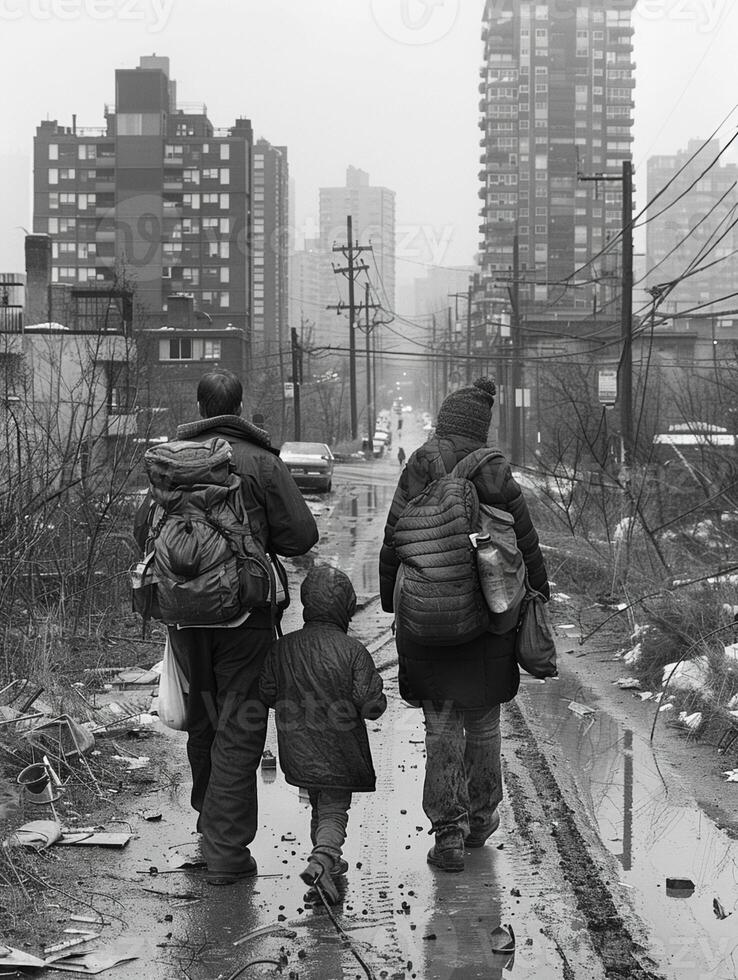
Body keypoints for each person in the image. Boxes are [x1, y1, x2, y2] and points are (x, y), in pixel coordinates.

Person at [135, 369, 318, 885]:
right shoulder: (262, 461)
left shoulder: (173, 459)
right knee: (238, 725)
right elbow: (302, 535)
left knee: (202, 721)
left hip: (184, 617)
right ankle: (227, 851)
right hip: (246, 616)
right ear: (239, 406)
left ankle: (206, 829)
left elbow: (141, 532)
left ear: (199, 407)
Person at [378, 378, 549, 873]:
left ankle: (447, 833)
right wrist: (535, 594)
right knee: (483, 721)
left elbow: (393, 540)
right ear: (481, 429)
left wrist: (397, 604)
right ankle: (480, 818)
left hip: (426, 618)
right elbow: (526, 543)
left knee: (441, 726)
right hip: (488, 619)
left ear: (445, 424)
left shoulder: (419, 466)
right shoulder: (495, 472)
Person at [259, 564, 386, 904]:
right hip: (341, 748)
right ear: (346, 607)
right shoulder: (352, 650)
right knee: (333, 807)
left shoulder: (283, 648)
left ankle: (327, 864)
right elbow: (371, 705)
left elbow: (268, 691)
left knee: (319, 801)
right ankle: (322, 859)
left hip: (298, 747)